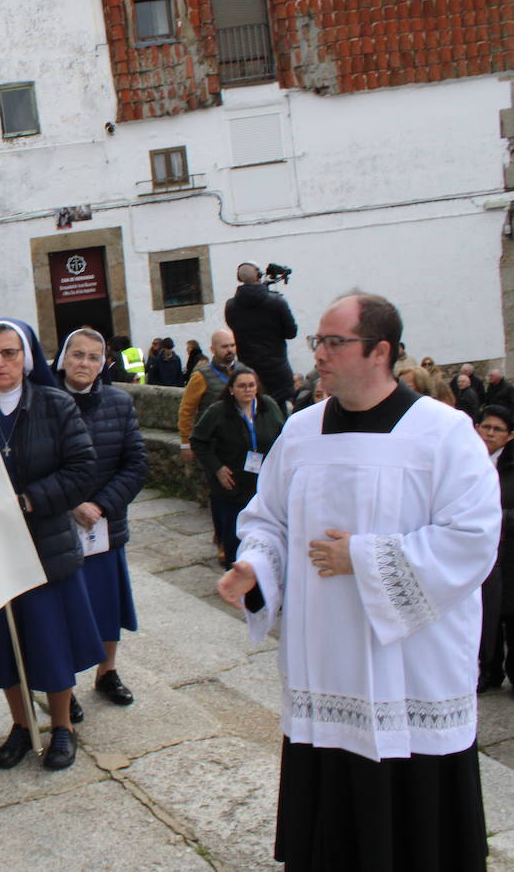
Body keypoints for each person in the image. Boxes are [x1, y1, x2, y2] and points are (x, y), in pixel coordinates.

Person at [217, 293, 499, 870]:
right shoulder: (299, 433)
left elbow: (471, 539)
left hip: (411, 668)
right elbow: (267, 519)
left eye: (333, 342)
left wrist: (362, 558)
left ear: (381, 352)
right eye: (318, 341)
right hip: (326, 659)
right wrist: (257, 566)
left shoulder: (443, 434)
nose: (317, 352)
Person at [0, 319, 101, 771]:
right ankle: (21, 725)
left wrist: (28, 500)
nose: (0, 362)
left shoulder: (54, 405)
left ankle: (61, 726)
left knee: (50, 640)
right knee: (4, 642)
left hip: (44, 545)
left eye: (10, 353)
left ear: (27, 358)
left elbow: (83, 470)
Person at [54, 329, 148, 708]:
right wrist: (71, 503)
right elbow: (35, 465)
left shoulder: (119, 402)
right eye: (77, 355)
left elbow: (136, 463)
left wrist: (102, 505)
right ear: (63, 358)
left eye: (94, 357)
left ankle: (106, 672)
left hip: (105, 526)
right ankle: (65, 687)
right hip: (58, 527)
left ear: (104, 363)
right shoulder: (44, 402)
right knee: (65, 612)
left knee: (107, 606)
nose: (84, 364)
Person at [190, 367, 285, 565]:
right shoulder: (218, 411)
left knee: (261, 536)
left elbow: (283, 438)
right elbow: (198, 440)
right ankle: (233, 575)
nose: (248, 390)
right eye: (242, 386)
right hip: (231, 486)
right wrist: (217, 468)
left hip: (261, 486)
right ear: (232, 389)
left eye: (251, 385)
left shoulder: (268, 406)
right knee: (233, 538)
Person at [224, 262, 299, 408]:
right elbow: (291, 333)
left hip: (248, 370)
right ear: (259, 275)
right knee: (280, 416)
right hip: (277, 371)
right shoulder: (277, 302)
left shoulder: (231, 306)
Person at [476, 404, 514, 694]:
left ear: (510, 436)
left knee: (508, 616)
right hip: (483, 550)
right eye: (485, 426)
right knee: (486, 617)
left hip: (508, 549)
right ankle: (488, 671)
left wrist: (494, 515)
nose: (489, 433)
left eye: (497, 429)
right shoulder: (470, 458)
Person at [178, 329, 239, 464]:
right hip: (213, 443)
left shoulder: (243, 371)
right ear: (212, 349)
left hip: (240, 440)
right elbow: (186, 411)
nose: (229, 350)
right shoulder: (200, 376)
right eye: (224, 346)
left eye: (232, 345)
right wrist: (185, 443)